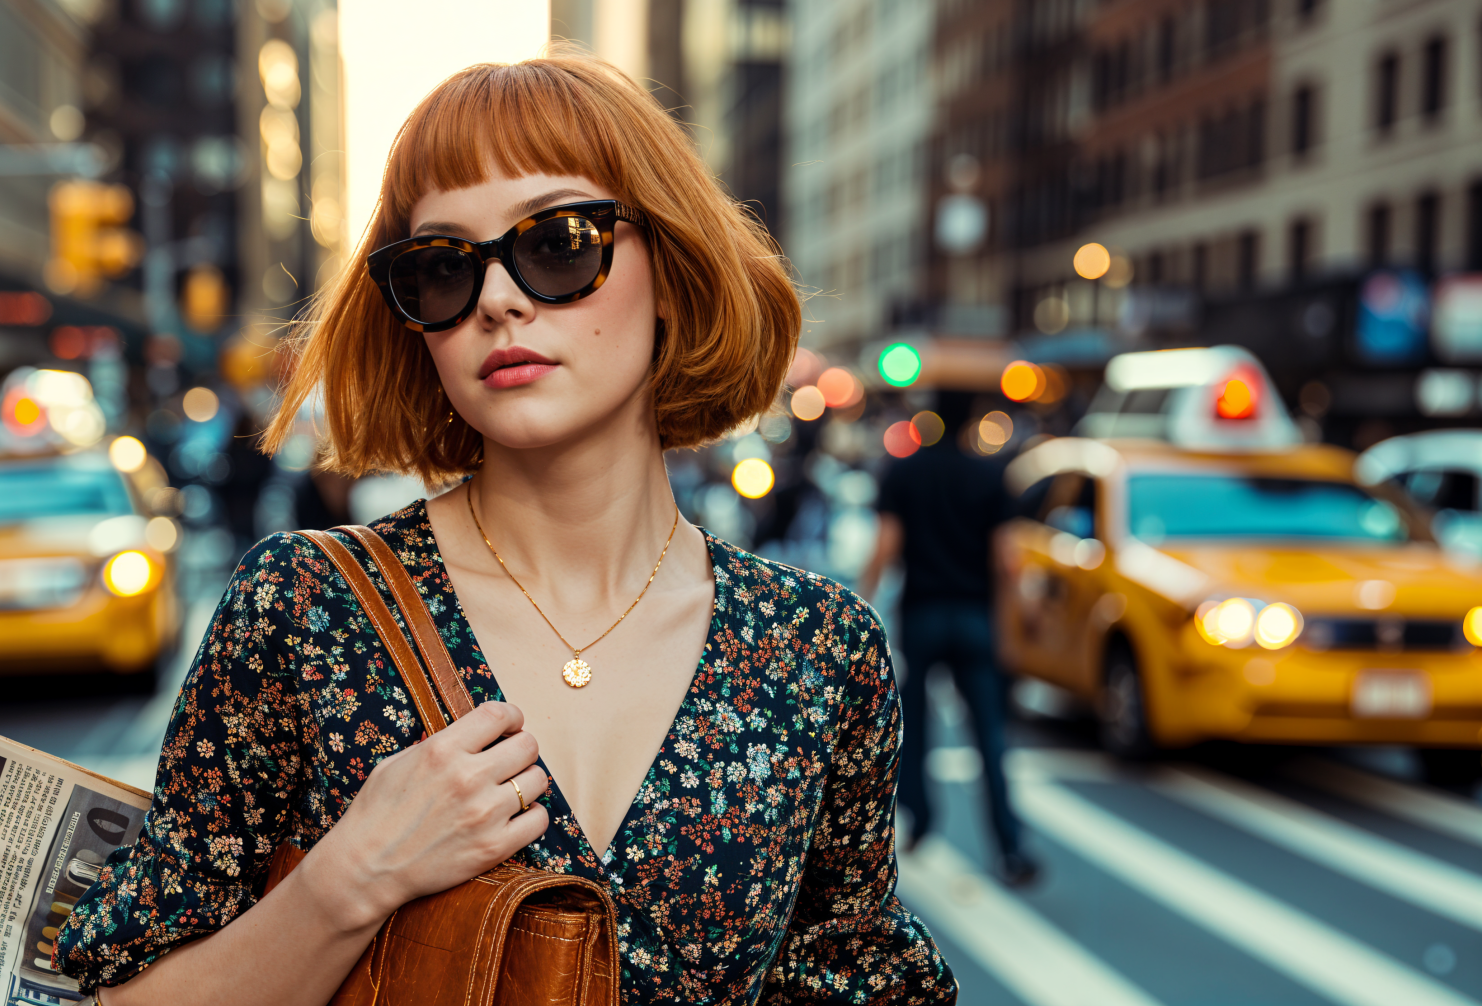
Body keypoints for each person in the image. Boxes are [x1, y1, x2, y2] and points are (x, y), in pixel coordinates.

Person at [57, 53, 954, 1004]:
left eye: (559, 243)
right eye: (442, 268)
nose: (496, 299)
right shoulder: (302, 610)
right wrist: (348, 879)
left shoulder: (815, 649)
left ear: (674, 272)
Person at [858, 390, 1038, 886]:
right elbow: (1006, 559)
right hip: (976, 617)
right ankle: (1009, 847)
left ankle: (919, 818)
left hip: (923, 615)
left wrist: (857, 605)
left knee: (913, 728)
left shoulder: (904, 473)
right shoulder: (989, 475)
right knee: (991, 735)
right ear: (969, 423)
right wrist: (1020, 618)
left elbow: (886, 547)